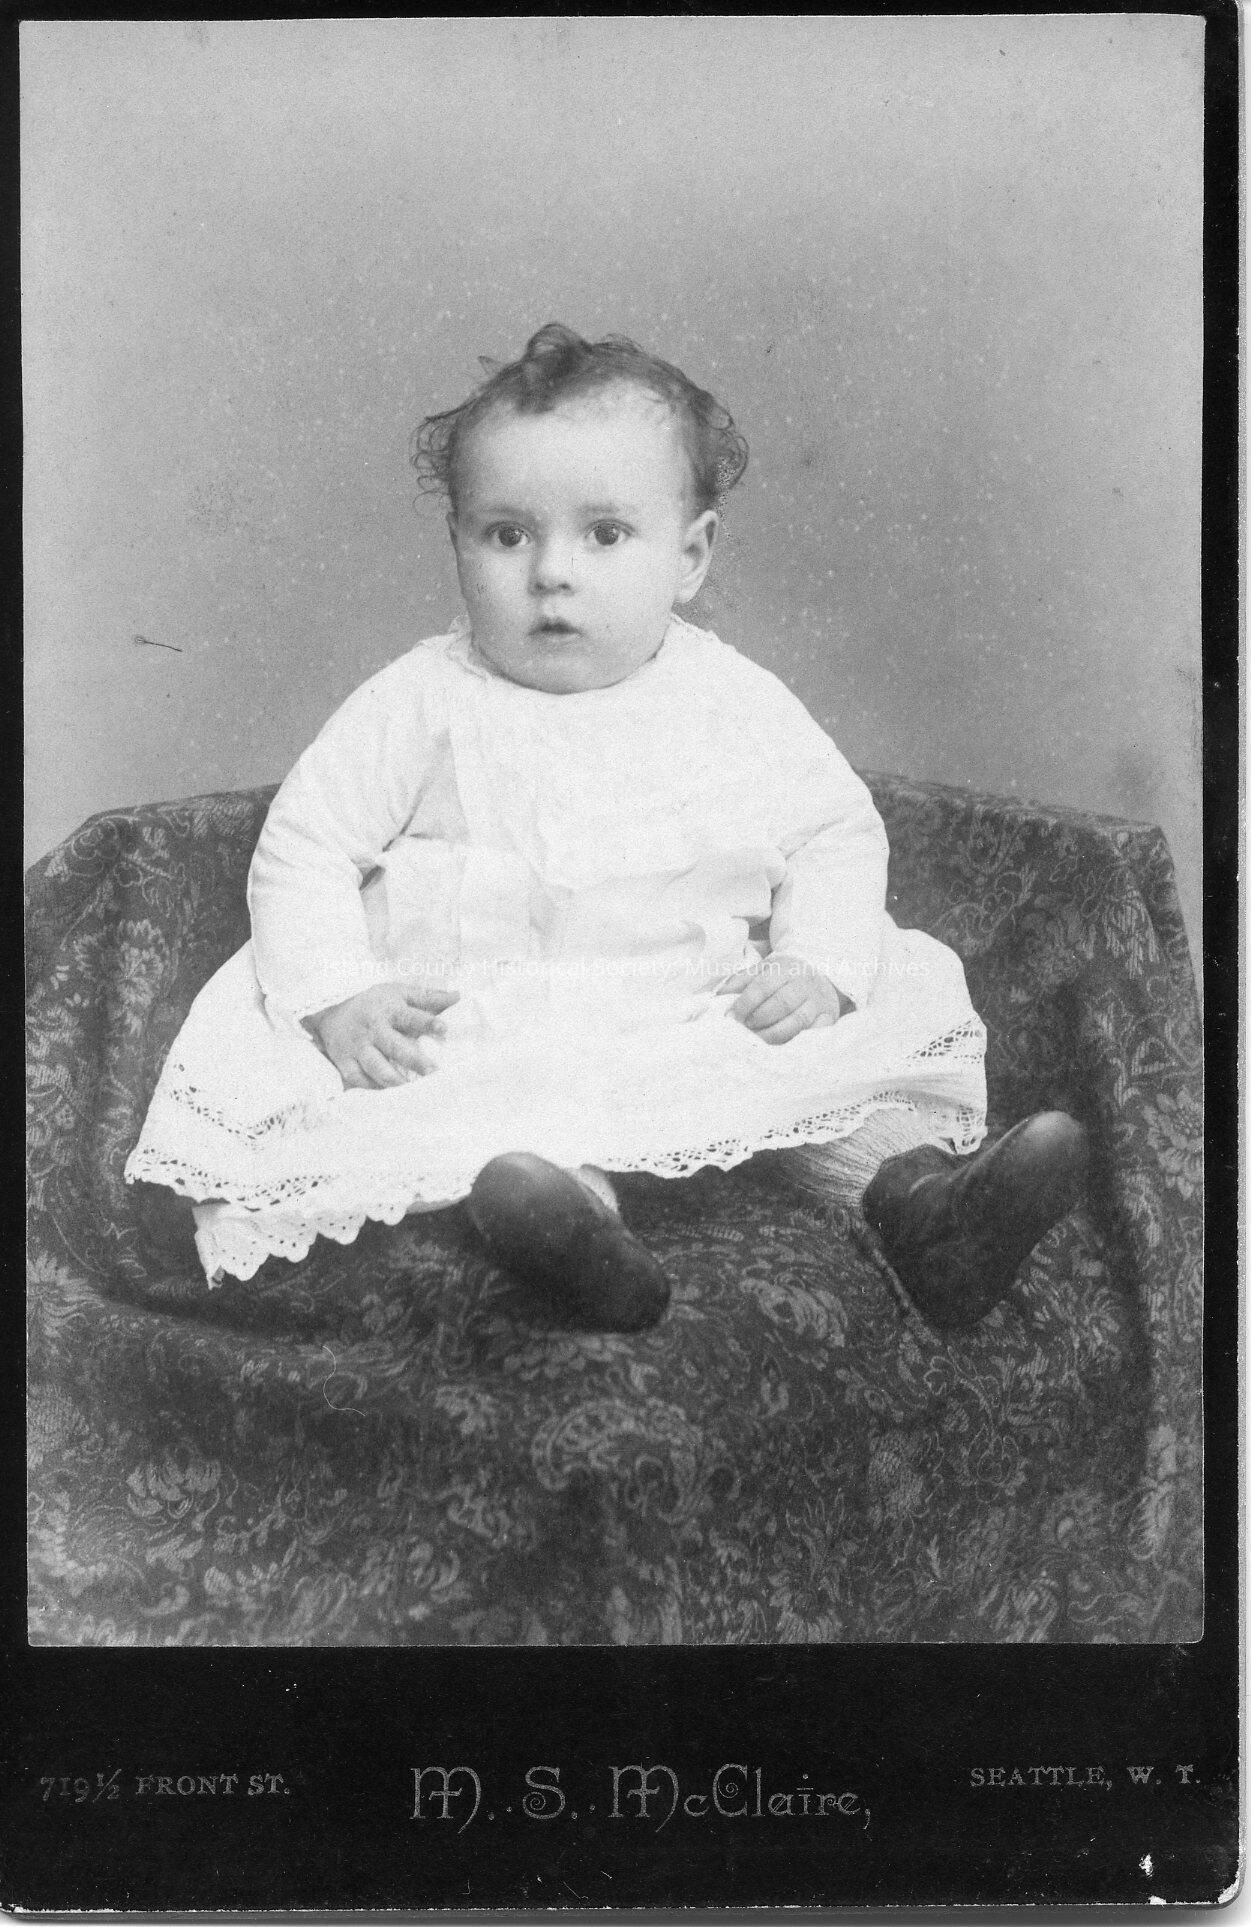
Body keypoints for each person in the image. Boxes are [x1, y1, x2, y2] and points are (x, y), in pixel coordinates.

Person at [126, 323, 1087, 1332]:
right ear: (456, 544)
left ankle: (926, 1210)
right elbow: (307, 844)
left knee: (823, 1065)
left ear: (690, 556)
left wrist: (818, 961)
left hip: (695, 1002)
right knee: (511, 1122)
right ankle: (581, 1239)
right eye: (507, 535)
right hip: (493, 1018)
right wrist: (339, 995)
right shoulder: (421, 699)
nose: (551, 572)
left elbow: (834, 832)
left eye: (605, 535)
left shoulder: (728, 696)